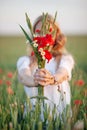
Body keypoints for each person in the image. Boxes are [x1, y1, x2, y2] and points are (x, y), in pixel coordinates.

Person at [17, 13, 74, 115]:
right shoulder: (25, 60)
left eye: (48, 32)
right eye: (39, 32)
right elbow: (23, 76)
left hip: (59, 116)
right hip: (34, 117)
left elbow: (62, 74)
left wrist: (51, 79)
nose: (43, 36)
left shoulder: (65, 59)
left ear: (56, 36)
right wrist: (36, 81)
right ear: (33, 36)